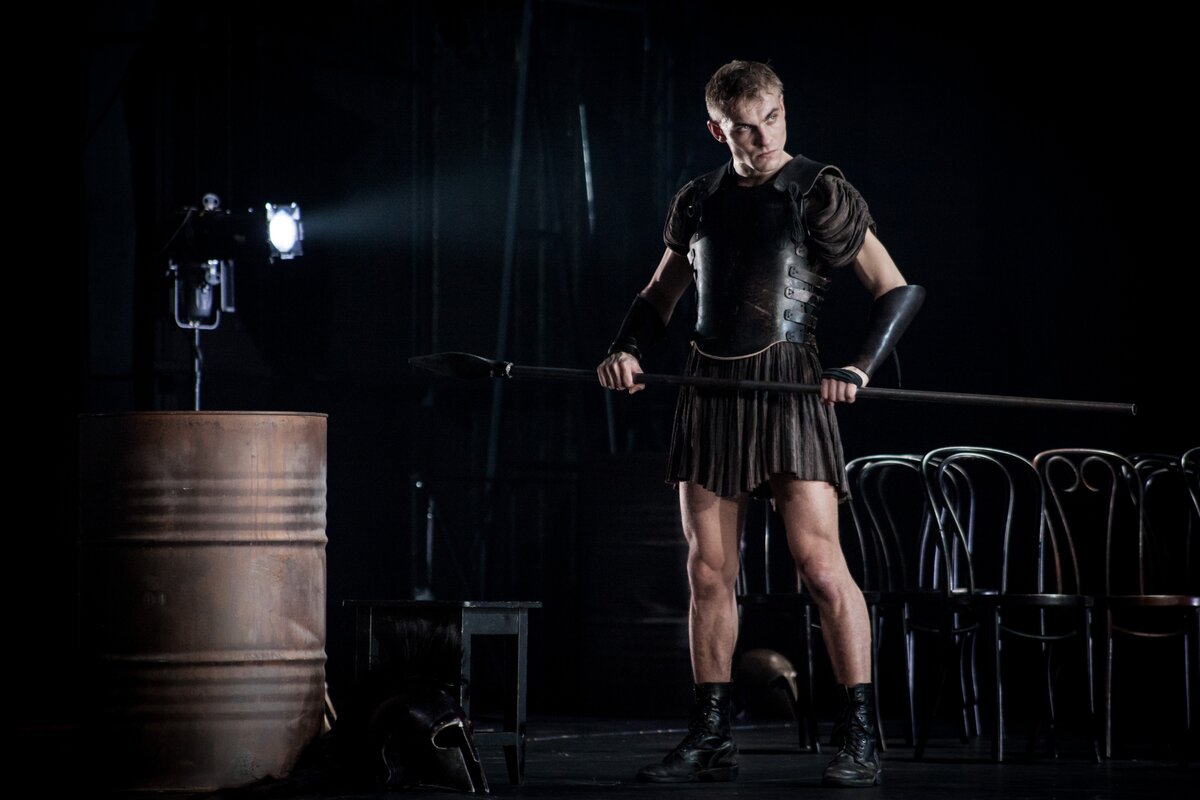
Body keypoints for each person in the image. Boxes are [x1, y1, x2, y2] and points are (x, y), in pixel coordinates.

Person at [596, 60, 924, 788]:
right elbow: (660, 294)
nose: (764, 136)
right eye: (745, 127)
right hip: (710, 389)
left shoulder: (819, 190)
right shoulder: (698, 200)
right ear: (719, 131)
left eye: (772, 118)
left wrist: (858, 369)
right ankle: (711, 735)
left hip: (789, 390)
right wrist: (624, 349)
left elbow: (897, 289)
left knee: (821, 566)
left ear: (783, 109)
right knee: (707, 569)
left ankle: (860, 735)